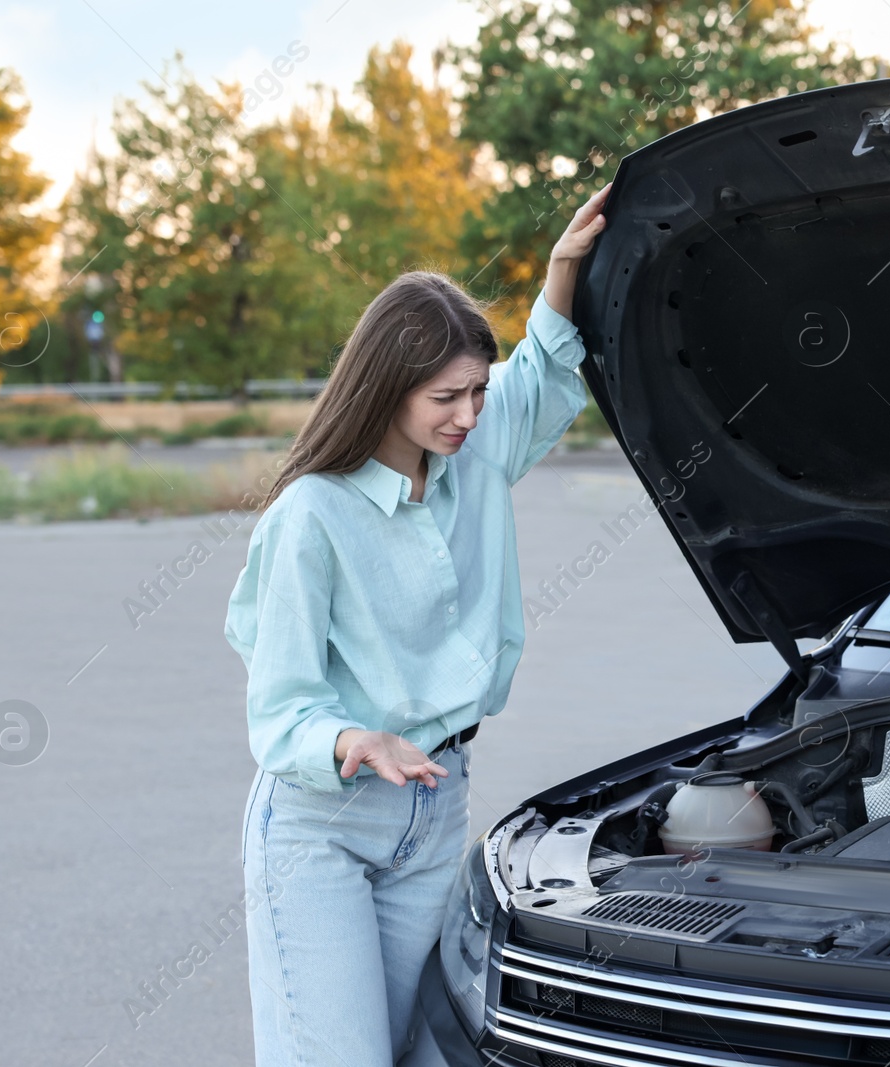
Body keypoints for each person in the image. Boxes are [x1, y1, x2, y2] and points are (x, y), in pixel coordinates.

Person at [223, 183, 611, 1066]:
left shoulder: (473, 457)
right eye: (447, 396)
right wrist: (357, 737)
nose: (471, 414)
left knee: (420, 1050)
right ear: (388, 386)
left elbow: (544, 371)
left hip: (435, 809)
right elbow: (279, 707)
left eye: (477, 390)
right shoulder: (310, 517)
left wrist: (560, 273)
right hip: (323, 824)